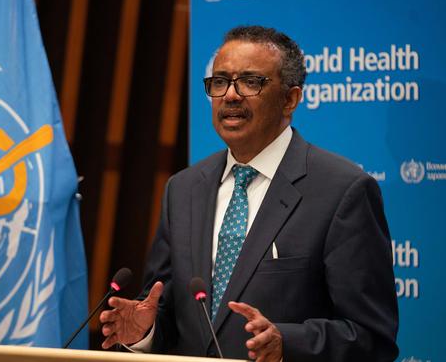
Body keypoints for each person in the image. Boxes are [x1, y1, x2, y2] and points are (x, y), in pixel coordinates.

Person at [100, 25, 399, 361]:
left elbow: (372, 337)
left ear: (290, 99)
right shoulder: (183, 190)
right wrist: (145, 331)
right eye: (220, 81)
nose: (230, 95)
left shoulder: (343, 191)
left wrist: (287, 342)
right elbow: (171, 313)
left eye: (250, 82)